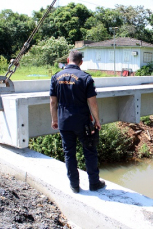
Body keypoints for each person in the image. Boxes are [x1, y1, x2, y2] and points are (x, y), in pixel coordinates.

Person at [49, 50, 105, 193]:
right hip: (82, 122)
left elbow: (52, 102)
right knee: (90, 151)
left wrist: (54, 119)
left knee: (69, 153)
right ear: (81, 62)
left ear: (68, 60)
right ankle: (94, 183)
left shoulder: (56, 77)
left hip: (64, 121)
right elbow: (92, 103)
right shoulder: (86, 78)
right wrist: (97, 120)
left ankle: (74, 185)